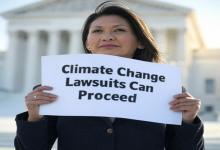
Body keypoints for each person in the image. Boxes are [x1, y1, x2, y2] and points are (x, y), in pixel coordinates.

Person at [14, 1, 204, 150]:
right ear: (88, 43)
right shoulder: (55, 87)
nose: (107, 37)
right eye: (97, 31)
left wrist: (188, 121)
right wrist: (34, 118)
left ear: (141, 42)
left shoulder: (167, 90)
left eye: (119, 30)